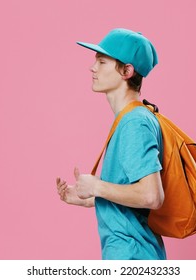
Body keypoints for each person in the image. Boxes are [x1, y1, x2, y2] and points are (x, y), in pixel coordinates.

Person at [56, 28, 166, 260]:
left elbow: (151, 196)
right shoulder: (131, 119)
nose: (93, 68)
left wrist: (96, 187)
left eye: (102, 62)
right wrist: (92, 199)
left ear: (127, 71)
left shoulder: (135, 123)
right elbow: (135, 198)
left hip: (132, 257)